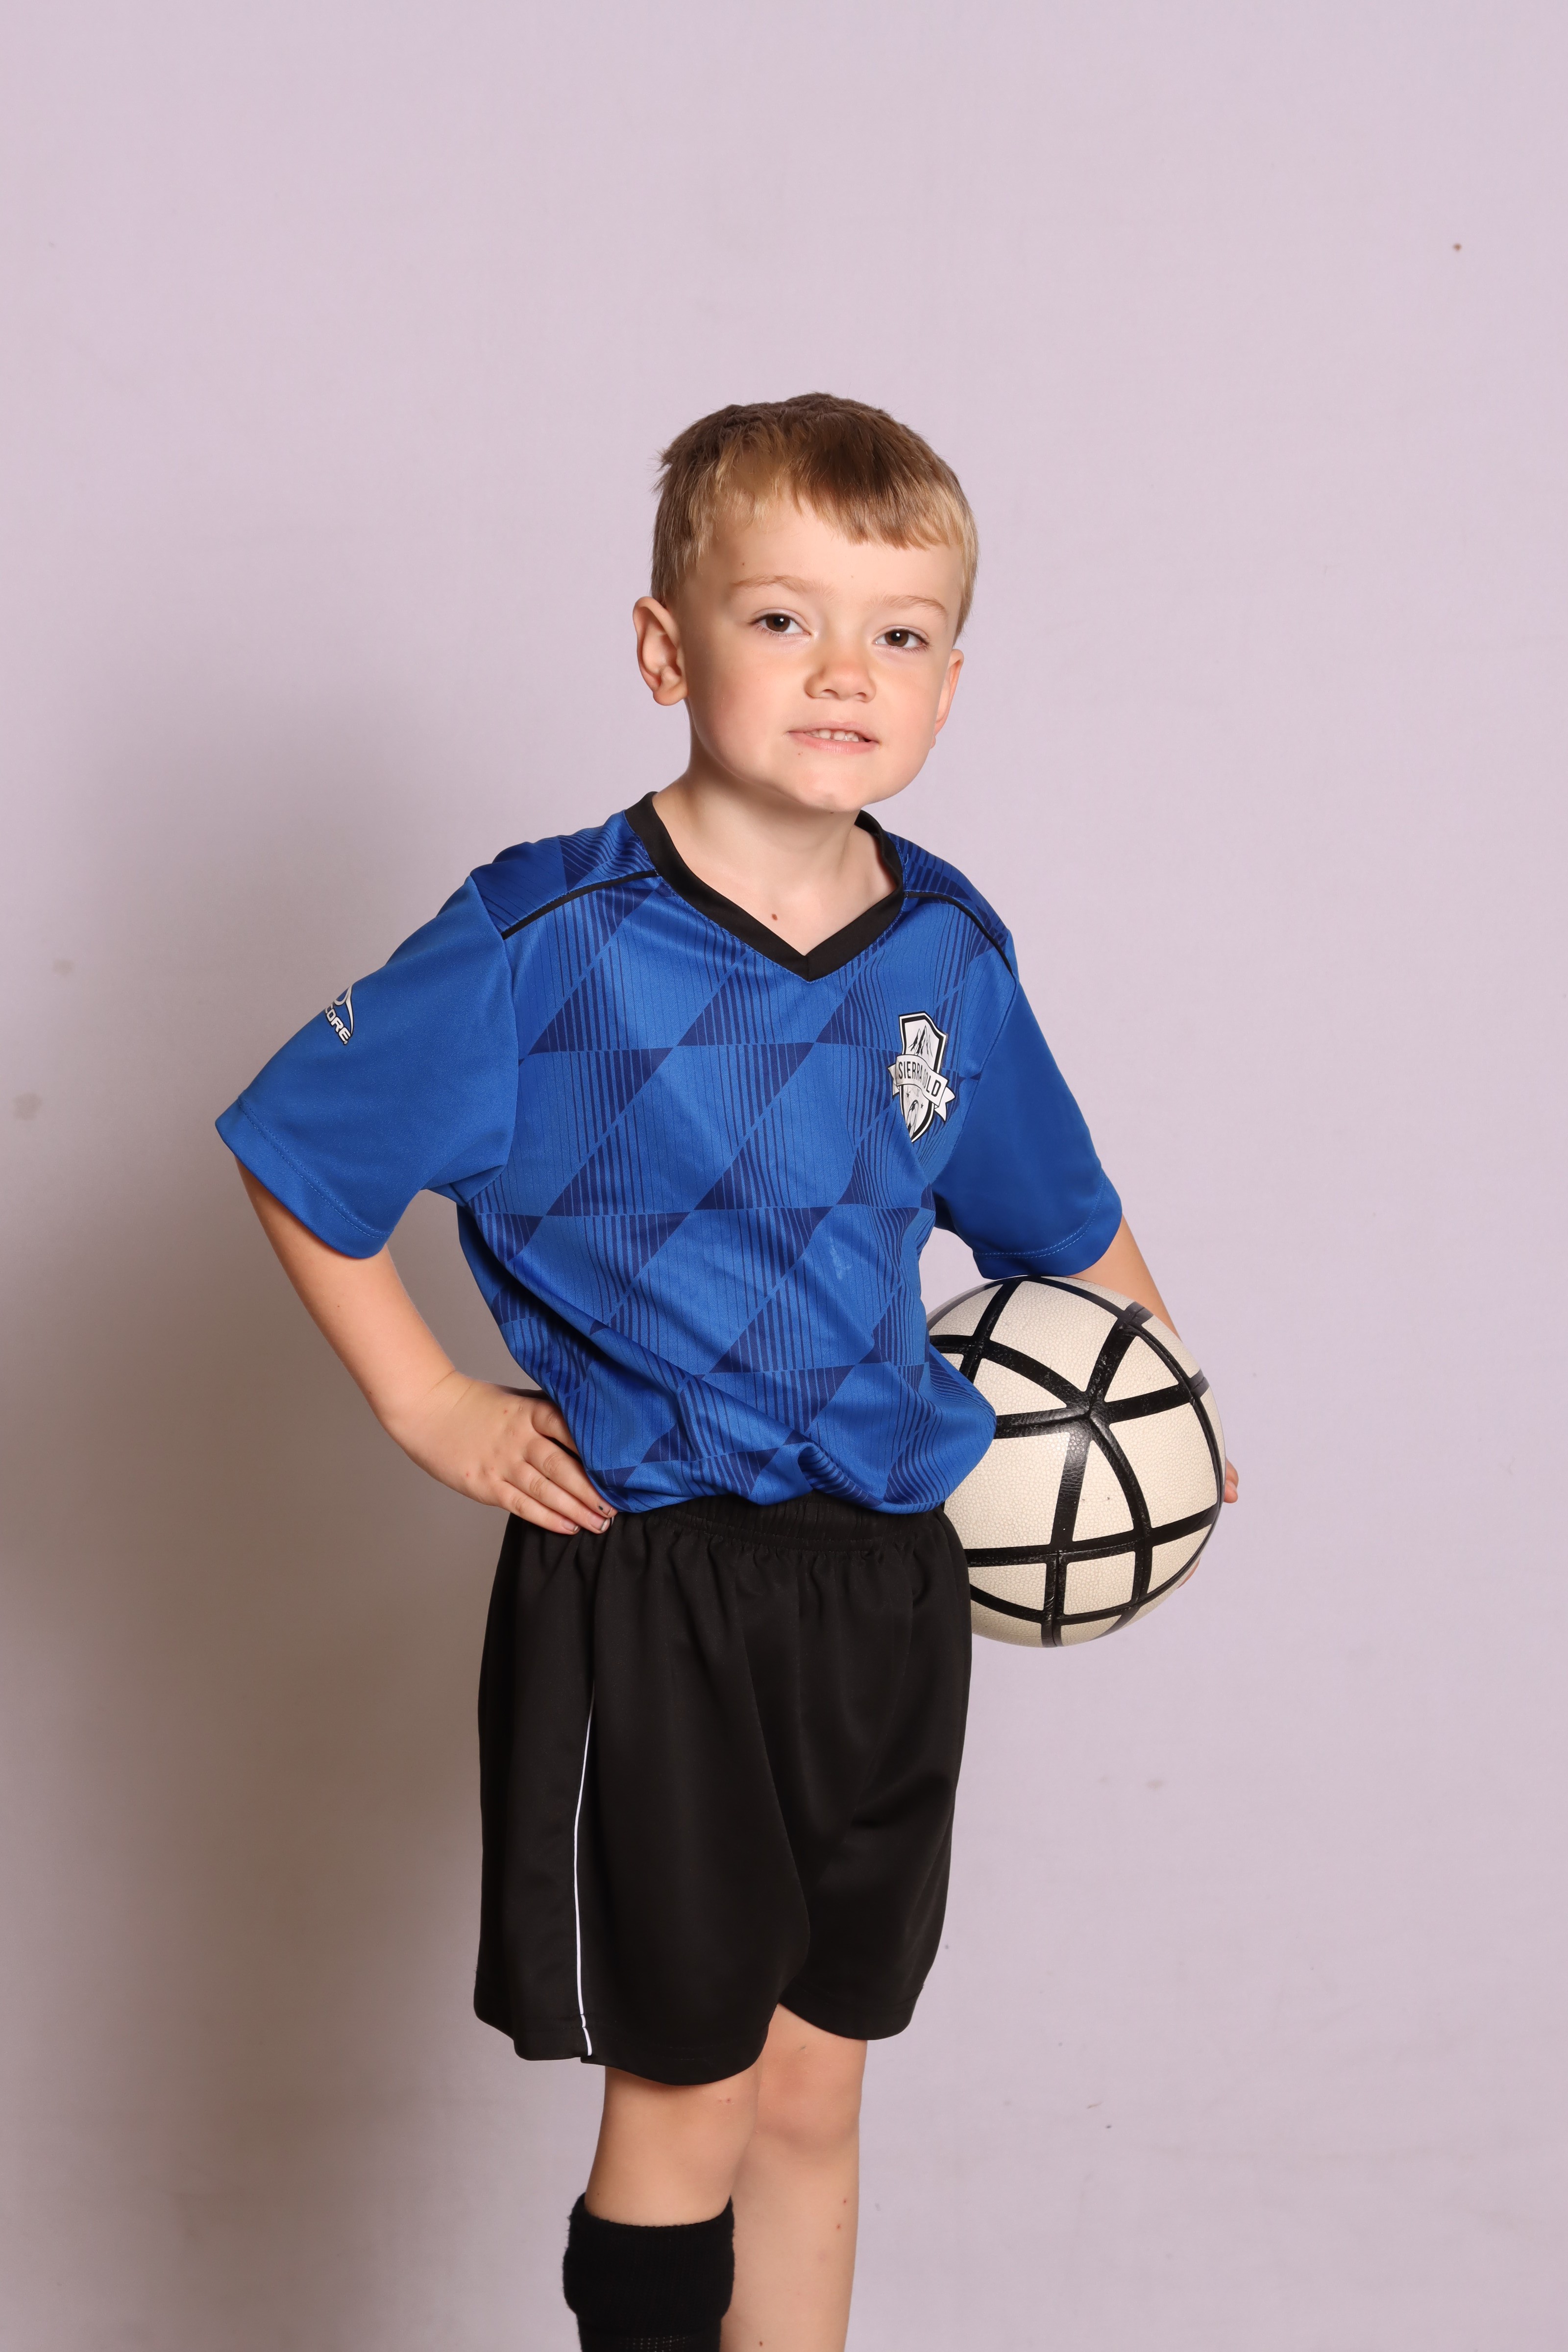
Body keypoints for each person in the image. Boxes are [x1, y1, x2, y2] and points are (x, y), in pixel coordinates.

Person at [218, 393, 1238, 2352]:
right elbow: (299, 1150)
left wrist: (1167, 1409)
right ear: (663, 647)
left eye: (898, 632)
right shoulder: (551, 935)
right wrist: (429, 1402)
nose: (845, 671)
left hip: (888, 1578)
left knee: (813, 2088)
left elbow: (1063, 1227)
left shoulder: (948, 953)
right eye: (783, 620)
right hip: (661, 1578)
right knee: (683, 2093)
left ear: (950, 680)